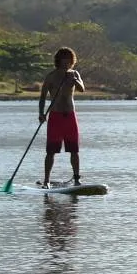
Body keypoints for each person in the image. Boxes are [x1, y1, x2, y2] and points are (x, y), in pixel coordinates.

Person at [38, 47, 86, 187]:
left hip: (70, 116)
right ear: (59, 60)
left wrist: (74, 80)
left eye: (69, 59)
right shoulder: (51, 76)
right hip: (55, 117)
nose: (67, 61)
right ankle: (46, 180)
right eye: (64, 58)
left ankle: (77, 178)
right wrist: (41, 113)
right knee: (51, 151)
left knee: (74, 150)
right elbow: (42, 97)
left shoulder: (74, 73)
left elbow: (82, 89)